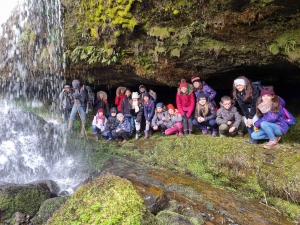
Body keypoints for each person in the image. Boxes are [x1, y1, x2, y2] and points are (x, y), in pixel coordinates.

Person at [232, 76, 260, 144]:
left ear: (245, 84)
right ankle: (253, 139)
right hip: (248, 109)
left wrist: (251, 118)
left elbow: (254, 104)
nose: (238, 87)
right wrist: (248, 118)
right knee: (246, 122)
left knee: (254, 121)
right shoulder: (238, 93)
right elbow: (243, 107)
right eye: (236, 85)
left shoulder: (254, 90)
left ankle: (258, 137)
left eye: (240, 85)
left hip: (257, 108)